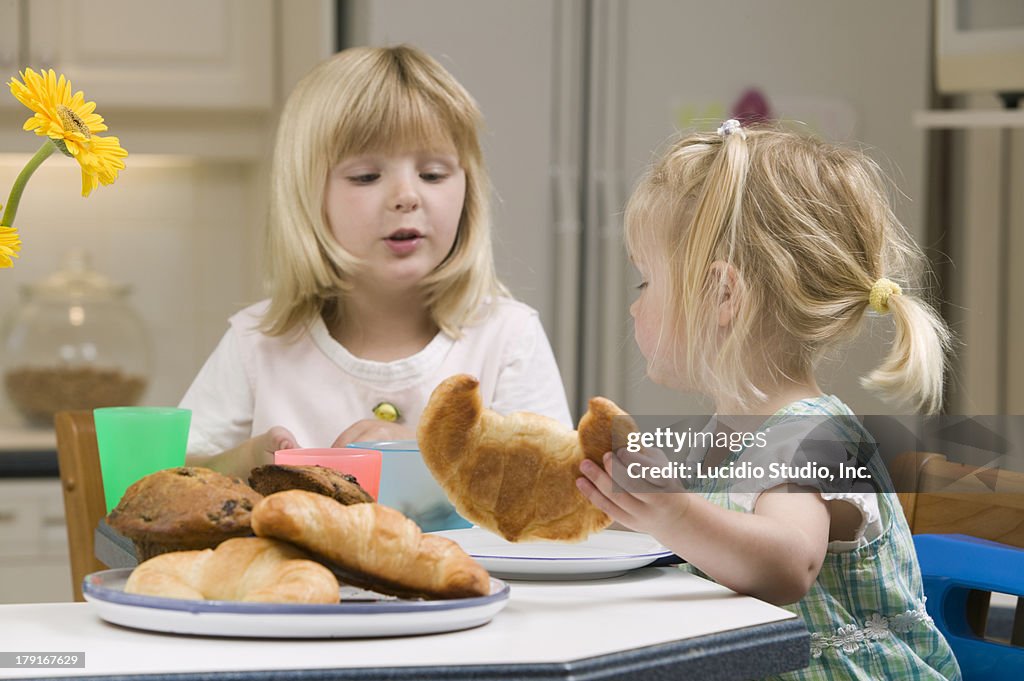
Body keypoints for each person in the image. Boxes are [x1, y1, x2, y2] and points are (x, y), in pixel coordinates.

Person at [577, 120, 960, 680]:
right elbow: (703, 532)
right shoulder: (727, 432)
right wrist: (617, 506)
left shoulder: (815, 435)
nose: (635, 308)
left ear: (721, 294)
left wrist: (674, 511)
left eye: (645, 283)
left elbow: (788, 562)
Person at [180, 45, 570, 477]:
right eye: (366, 176)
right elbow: (173, 476)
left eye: (433, 175)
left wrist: (429, 455)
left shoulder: (506, 338)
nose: (406, 196)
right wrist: (249, 458)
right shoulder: (257, 344)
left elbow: (552, 485)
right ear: (307, 197)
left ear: (468, 190)